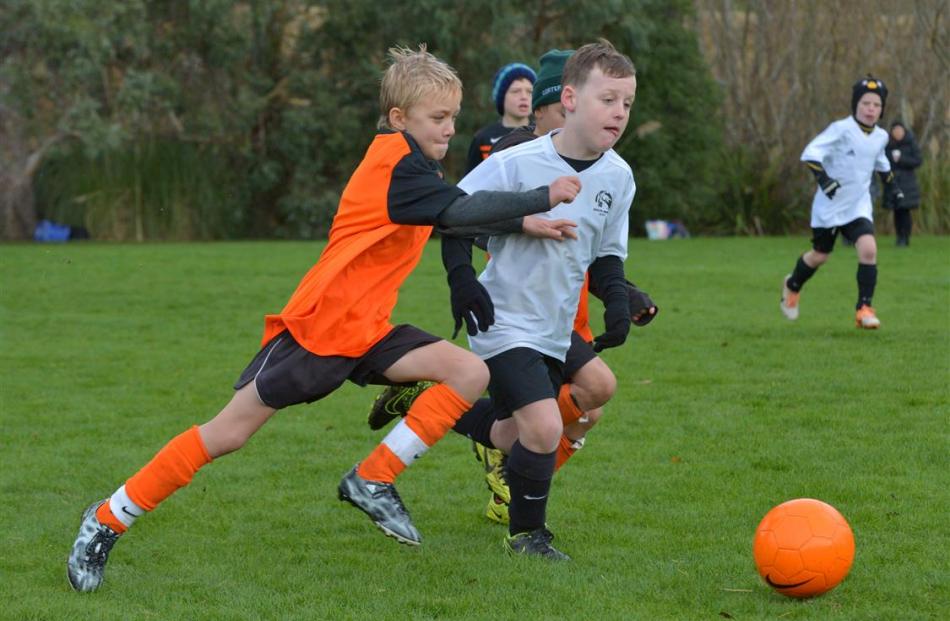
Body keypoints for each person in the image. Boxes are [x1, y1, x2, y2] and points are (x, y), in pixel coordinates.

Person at [65, 44, 584, 593]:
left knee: (467, 372)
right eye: (439, 117)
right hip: (318, 330)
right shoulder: (396, 163)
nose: (452, 128)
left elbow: (450, 216)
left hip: (367, 330)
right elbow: (457, 211)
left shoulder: (413, 167)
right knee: (227, 434)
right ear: (399, 119)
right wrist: (540, 196)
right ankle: (108, 518)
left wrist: (523, 223)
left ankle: (373, 479)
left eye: (454, 116)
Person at [367, 48, 657, 528]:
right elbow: (454, 216)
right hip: (504, 317)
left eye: (627, 102)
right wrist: (462, 281)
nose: (620, 112)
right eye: (608, 99)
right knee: (542, 428)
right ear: (569, 99)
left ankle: (423, 399)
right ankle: (527, 535)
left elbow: (607, 252)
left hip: (554, 322)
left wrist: (619, 306)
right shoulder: (516, 162)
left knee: (575, 400)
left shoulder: (619, 176)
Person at [780, 75, 903, 329]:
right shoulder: (841, 129)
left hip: (857, 206)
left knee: (869, 249)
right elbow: (810, 153)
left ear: (882, 110)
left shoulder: (880, 136)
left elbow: (881, 162)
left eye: (876, 105)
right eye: (866, 103)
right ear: (855, 104)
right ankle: (792, 285)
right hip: (829, 207)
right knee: (820, 256)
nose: (871, 109)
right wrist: (824, 180)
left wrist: (893, 187)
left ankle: (864, 309)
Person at [465, 62, 536, 173]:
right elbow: (470, 183)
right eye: (516, 91)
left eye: (530, 92)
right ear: (501, 97)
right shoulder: (484, 138)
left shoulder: (542, 135)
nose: (524, 97)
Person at [884, 120, 923, 246]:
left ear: (904, 131)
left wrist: (901, 160)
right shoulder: (888, 145)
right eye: (895, 131)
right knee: (896, 210)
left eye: (899, 130)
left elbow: (917, 161)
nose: (897, 133)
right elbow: (883, 162)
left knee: (905, 211)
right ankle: (899, 236)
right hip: (893, 182)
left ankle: (905, 237)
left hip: (908, 183)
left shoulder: (911, 143)